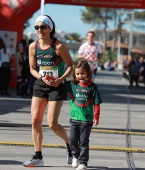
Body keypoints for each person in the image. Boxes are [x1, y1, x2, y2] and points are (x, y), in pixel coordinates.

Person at [23, 14, 73, 167]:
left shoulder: (58, 46)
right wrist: (41, 77)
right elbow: (32, 69)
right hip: (40, 84)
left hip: (57, 86)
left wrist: (60, 79)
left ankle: (70, 146)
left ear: (50, 28)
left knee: (52, 124)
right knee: (34, 121)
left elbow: (70, 65)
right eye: (37, 27)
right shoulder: (33, 46)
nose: (39, 30)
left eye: (43, 27)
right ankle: (38, 157)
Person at [64, 60, 103, 170]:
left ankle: (83, 163)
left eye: (82, 73)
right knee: (72, 140)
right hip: (74, 119)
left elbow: (97, 103)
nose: (80, 76)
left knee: (84, 142)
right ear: (74, 74)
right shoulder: (71, 85)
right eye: (77, 74)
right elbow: (59, 82)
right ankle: (75, 156)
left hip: (86, 120)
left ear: (88, 73)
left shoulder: (93, 87)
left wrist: (96, 117)